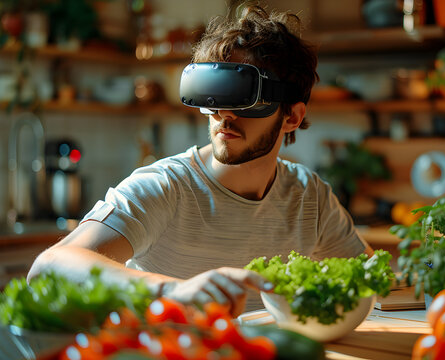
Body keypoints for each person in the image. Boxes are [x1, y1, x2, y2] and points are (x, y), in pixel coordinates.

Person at [28, 4, 373, 316]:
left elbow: (372, 281)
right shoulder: (165, 186)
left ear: (292, 117)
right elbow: (49, 266)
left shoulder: (308, 197)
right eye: (215, 97)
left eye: (243, 100)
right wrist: (171, 290)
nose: (223, 114)